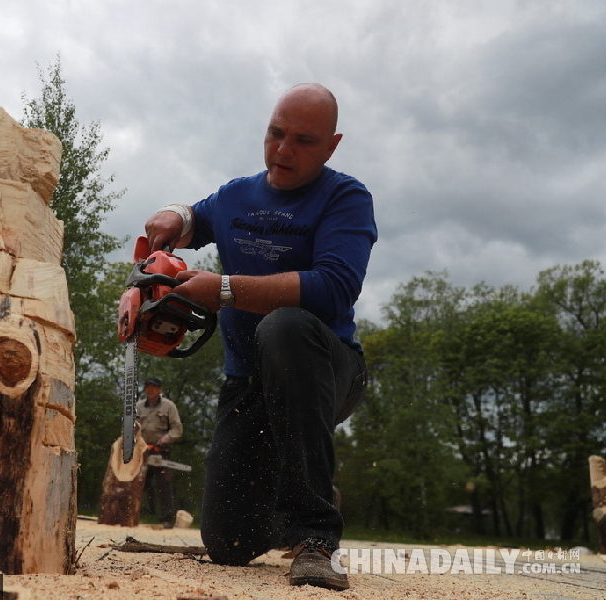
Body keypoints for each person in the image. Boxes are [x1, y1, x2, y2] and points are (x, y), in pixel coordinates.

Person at [143, 83, 377, 590]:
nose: (283, 149)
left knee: (285, 325)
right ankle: (289, 490)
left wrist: (223, 289)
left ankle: (315, 535)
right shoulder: (236, 196)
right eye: (275, 133)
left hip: (327, 368)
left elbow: (333, 288)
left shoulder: (346, 198)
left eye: (303, 140)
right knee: (228, 544)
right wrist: (174, 215)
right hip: (249, 382)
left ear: (332, 145)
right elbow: (193, 219)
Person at [135, 377, 183, 529]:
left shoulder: (169, 406)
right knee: (135, 484)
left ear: (160, 390)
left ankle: (167, 519)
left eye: (154, 387)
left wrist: (165, 439)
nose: (151, 390)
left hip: (160, 451)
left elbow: (177, 429)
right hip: (141, 451)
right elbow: (129, 427)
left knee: (163, 485)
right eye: (148, 387)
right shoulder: (138, 406)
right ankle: (132, 515)